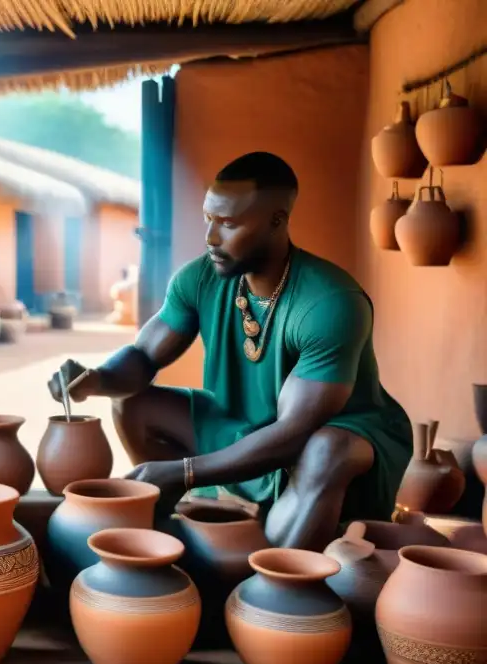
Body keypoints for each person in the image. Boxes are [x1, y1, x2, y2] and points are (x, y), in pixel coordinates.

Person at [50, 152, 412, 552]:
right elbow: (143, 356)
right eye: (209, 218)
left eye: (228, 223)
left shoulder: (330, 302)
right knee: (132, 404)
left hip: (332, 438)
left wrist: (184, 471)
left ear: (277, 220)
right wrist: (97, 378)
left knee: (326, 452)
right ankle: (184, 524)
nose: (210, 238)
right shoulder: (200, 277)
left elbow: (292, 435)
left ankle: (273, 580)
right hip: (243, 423)